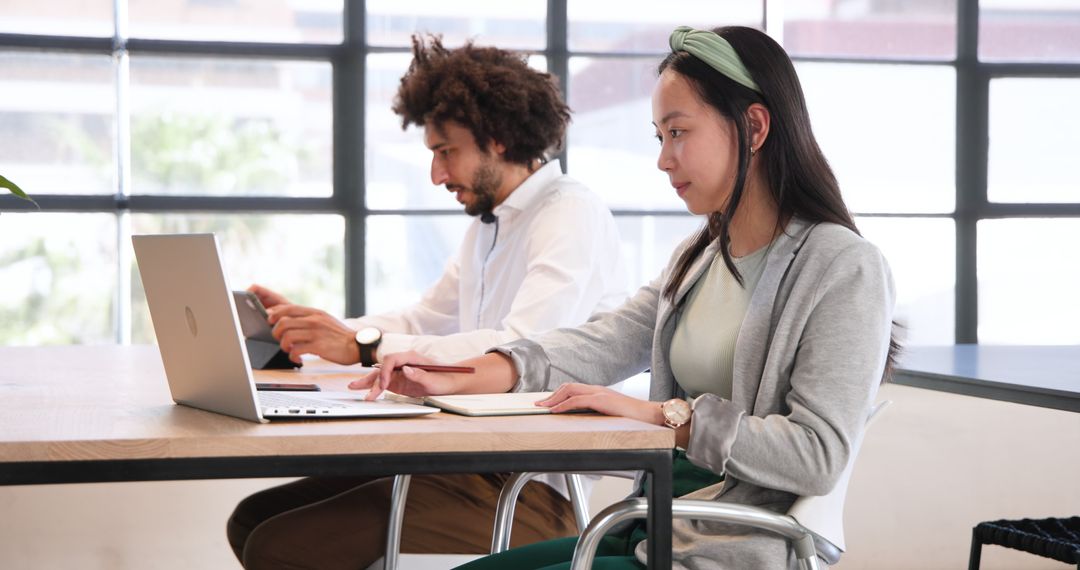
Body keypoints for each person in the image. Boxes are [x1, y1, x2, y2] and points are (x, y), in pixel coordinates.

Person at [358, 25, 900, 570]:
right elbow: (602, 342)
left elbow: (819, 455)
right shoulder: (700, 256)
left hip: (724, 550)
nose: (664, 159)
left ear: (754, 126)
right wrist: (460, 372)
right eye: (658, 137)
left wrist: (663, 417)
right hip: (651, 527)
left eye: (678, 132)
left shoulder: (844, 266)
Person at [228, 35, 627, 569]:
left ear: (500, 138)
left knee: (284, 547)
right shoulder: (489, 226)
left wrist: (362, 346)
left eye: (446, 153)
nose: (437, 175)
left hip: (531, 486)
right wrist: (320, 330)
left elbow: (519, 350)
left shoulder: (569, 214)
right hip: (462, 457)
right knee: (253, 519)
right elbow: (425, 317)